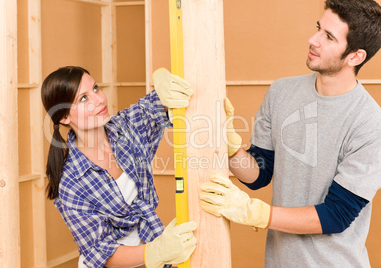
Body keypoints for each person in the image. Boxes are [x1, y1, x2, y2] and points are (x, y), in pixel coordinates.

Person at [200, 0, 381, 267]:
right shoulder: (281, 93)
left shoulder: (370, 123)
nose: (313, 39)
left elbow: (336, 215)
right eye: (319, 28)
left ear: (355, 56)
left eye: (328, 37)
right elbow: (259, 174)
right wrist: (230, 146)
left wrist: (256, 213)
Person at [41, 66, 197, 268]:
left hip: (153, 255)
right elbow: (102, 253)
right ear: (64, 117)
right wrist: (157, 250)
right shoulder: (70, 183)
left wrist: (163, 82)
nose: (99, 100)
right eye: (83, 98)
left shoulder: (125, 128)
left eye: (96, 88)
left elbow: (155, 106)